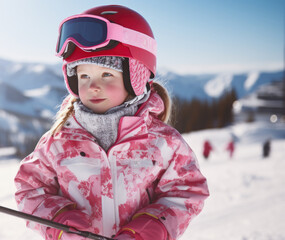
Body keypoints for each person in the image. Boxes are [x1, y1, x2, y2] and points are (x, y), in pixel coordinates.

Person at [14, 5, 209, 240]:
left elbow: (187, 190)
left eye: (107, 74)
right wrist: (60, 223)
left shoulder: (163, 142)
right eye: (84, 76)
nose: (93, 86)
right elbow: (29, 187)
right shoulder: (59, 141)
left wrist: (149, 230)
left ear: (135, 77)